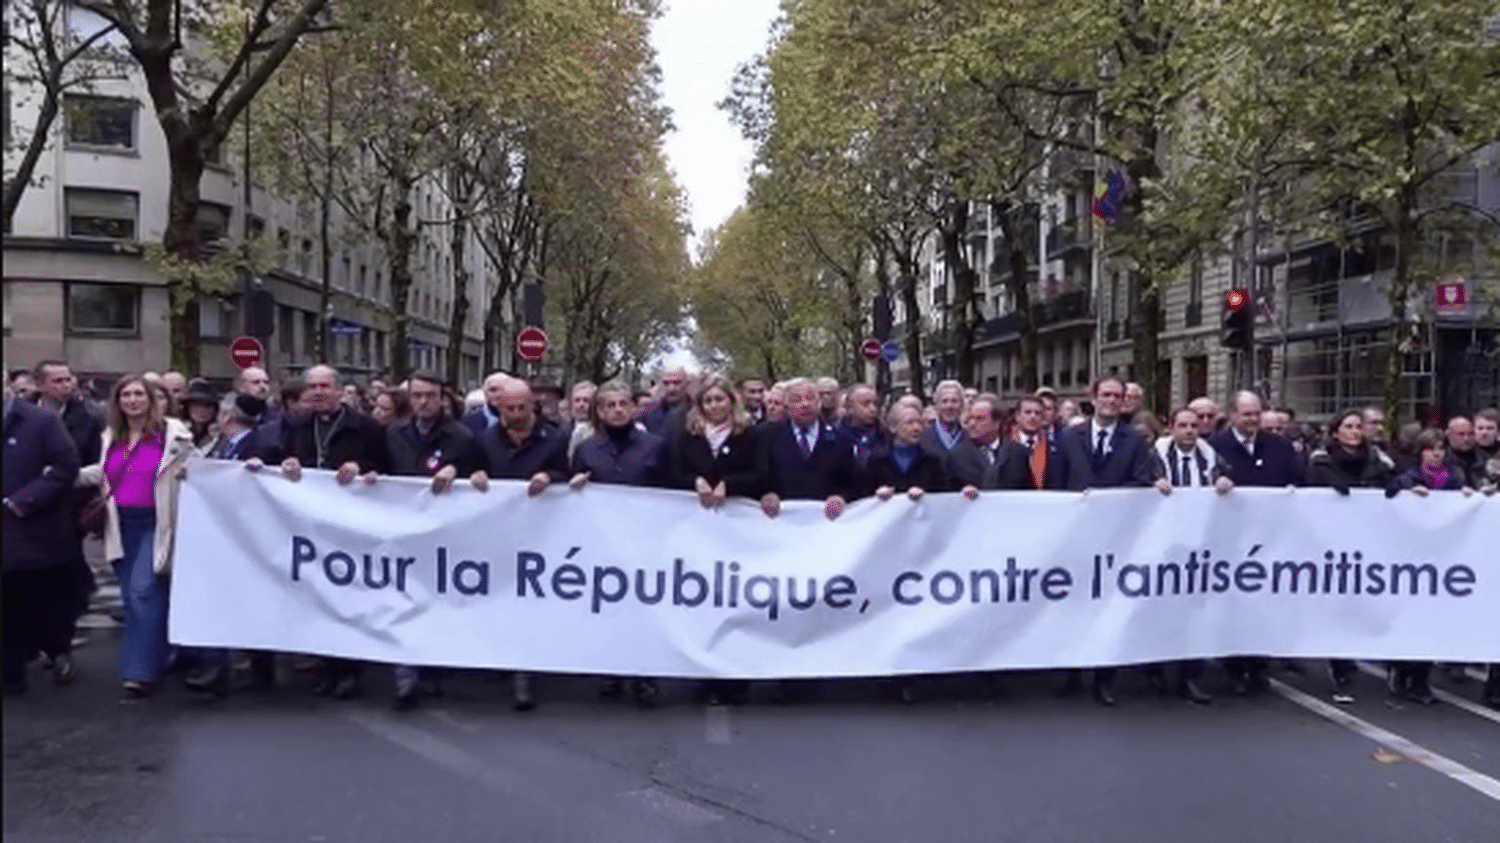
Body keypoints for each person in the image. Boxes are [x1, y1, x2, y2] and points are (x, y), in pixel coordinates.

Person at [248, 365, 390, 701]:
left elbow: (387, 469)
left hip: (350, 528)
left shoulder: (367, 427)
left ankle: (349, 670)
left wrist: (363, 469)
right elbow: (277, 459)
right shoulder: (296, 426)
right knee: (318, 599)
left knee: (348, 599)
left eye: (326, 386)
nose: (318, 392)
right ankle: (325, 665)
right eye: (312, 387)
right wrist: (285, 465)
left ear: (340, 391)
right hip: (309, 528)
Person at [76, 375, 195, 701]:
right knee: (134, 598)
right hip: (119, 525)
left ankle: (138, 673)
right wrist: (64, 474)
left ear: (150, 399)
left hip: (155, 524)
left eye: (138, 394)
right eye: (125, 395)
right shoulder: (111, 435)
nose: (132, 400)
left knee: (143, 592)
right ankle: (160, 656)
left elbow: (194, 465)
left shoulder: (173, 433)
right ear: (117, 402)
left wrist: (188, 471)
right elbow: (104, 472)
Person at [1056, 376, 1164, 706]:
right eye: (1106, 395)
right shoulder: (1070, 436)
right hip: (1077, 532)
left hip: (1117, 535)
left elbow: (1142, 479)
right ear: (1093, 397)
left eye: (1117, 396)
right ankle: (1072, 668)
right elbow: (1058, 480)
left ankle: (1105, 677)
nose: (1111, 401)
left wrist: (1113, 498)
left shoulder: (1134, 440)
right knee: (1074, 602)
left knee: (1108, 605)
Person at [465, 377, 571, 711]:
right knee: (499, 598)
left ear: (532, 405)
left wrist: (551, 477)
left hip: (539, 533)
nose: (514, 413)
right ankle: (498, 659)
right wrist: (476, 475)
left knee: (528, 601)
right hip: (496, 533)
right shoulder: (483, 439)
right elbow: (471, 470)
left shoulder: (555, 437)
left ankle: (525, 670)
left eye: (521, 408)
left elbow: (569, 473)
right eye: (508, 408)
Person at [664, 376, 762, 706]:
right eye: (708, 401)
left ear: (731, 402)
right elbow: (671, 474)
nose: (714, 406)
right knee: (702, 603)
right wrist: (696, 482)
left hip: (737, 531)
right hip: (697, 531)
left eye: (720, 400)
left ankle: (735, 676)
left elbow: (762, 474)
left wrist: (730, 485)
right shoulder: (686, 437)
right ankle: (703, 675)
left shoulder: (748, 436)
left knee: (734, 602)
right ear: (700, 405)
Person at [383, 371, 479, 711]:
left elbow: (480, 481)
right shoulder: (394, 432)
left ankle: (434, 666)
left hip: (444, 533)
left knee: (437, 599)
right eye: (418, 395)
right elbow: (380, 473)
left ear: (442, 397)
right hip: (403, 530)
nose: (423, 402)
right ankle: (404, 671)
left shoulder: (462, 437)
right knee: (403, 598)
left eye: (430, 395)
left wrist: (458, 471)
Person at [571, 382, 670, 706]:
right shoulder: (587, 450)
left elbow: (671, 493)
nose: (617, 410)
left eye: (623, 404)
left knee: (644, 609)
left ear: (633, 408)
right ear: (599, 411)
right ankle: (610, 670)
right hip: (603, 543)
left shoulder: (656, 446)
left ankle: (645, 674)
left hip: (645, 541)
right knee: (607, 609)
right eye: (609, 405)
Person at [1305, 407, 1397, 704]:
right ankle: (1341, 666)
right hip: (1333, 547)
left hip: (1368, 544)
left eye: (1359, 426)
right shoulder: (1321, 461)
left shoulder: (1379, 461)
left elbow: (1394, 486)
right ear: (1336, 431)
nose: (1355, 431)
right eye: (1348, 426)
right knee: (1338, 606)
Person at [3, 393, 82, 695]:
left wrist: (25, 499)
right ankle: (11, 676)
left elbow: (67, 465)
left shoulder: (41, 421)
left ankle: (57, 649)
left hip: (32, 530)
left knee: (40, 604)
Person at [945, 394, 1030, 493]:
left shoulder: (1019, 453)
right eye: (970, 418)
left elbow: (1028, 494)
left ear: (997, 423)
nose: (972, 424)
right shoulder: (957, 456)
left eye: (980, 419)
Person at [920, 380, 966, 458]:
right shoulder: (922, 438)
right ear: (937, 405)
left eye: (954, 401)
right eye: (944, 401)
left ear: (962, 405)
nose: (949, 406)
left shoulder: (971, 438)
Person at [179, 379, 221, 452]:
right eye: (197, 405)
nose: (201, 410)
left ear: (215, 410)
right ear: (188, 407)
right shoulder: (178, 430)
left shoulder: (221, 435)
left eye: (207, 406)